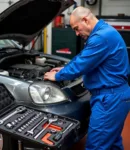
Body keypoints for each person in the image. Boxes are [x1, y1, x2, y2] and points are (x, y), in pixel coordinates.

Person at [44, 6, 130, 150]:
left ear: (85, 19)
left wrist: (58, 75)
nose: (77, 33)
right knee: (113, 142)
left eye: (77, 28)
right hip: (115, 96)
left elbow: (81, 65)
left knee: (96, 146)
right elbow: (85, 57)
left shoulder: (102, 37)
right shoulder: (103, 33)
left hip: (109, 99)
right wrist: (65, 68)